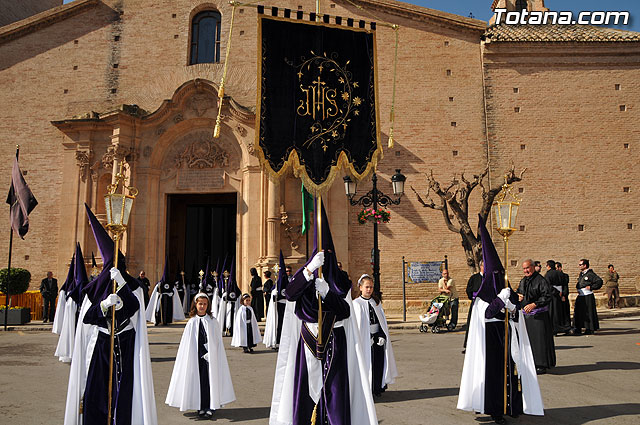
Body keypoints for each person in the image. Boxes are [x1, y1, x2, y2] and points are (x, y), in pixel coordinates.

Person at [270, 202, 377, 425]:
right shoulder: (305, 275)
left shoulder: (340, 280)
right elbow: (290, 294)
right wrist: (308, 272)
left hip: (334, 340)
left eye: (328, 254)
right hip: (308, 338)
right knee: (307, 389)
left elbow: (345, 311)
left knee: (334, 389)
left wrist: (329, 293)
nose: (325, 258)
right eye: (321, 254)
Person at [65, 204, 156, 425]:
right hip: (100, 345)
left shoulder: (132, 286)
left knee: (123, 392)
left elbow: (135, 309)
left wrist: (123, 284)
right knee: (97, 393)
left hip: (125, 343)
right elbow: (87, 318)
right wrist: (104, 306)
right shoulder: (94, 290)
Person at [458, 217, 544, 424]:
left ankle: (512, 406)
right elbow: (487, 314)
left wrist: (513, 306)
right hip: (491, 339)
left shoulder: (506, 289)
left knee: (511, 372)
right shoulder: (482, 296)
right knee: (494, 376)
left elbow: (516, 311)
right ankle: (495, 410)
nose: (497, 277)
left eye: (500, 273)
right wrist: (501, 299)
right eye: (494, 274)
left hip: (507, 335)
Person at [165, 292, 235, 418]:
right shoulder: (192, 322)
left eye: (204, 304)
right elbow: (187, 344)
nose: (202, 306)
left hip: (210, 358)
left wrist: (212, 353)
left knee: (209, 381)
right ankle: (200, 406)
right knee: (198, 382)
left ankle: (209, 406)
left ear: (207, 305)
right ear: (195, 305)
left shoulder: (213, 322)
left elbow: (216, 342)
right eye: (200, 304)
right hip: (196, 357)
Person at [352, 274, 398, 397]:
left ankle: (377, 387)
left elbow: (381, 322)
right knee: (366, 365)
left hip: (377, 339)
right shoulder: (356, 304)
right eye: (367, 287)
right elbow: (357, 326)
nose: (369, 289)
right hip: (365, 341)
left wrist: (381, 335)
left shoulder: (375, 302)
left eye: (371, 287)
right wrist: (366, 338)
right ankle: (366, 390)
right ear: (360, 288)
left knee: (378, 364)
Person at [517, 259, 556, 374]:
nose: (526, 271)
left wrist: (534, 304)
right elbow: (519, 292)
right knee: (528, 341)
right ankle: (529, 363)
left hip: (538, 316)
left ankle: (541, 364)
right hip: (526, 316)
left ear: (533, 267)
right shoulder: (523, 281)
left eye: (527, 268)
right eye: (524, 268)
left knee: (539, 341)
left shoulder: (541, 280)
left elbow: (547, 296)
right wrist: (518, 296)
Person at [146, 259, 185, 326]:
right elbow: (155, 294)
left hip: (168, 300)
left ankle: (166, 321)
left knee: (167, 310)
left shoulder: (171, 285)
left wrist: (170, 294)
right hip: (161, 299)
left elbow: (174, 293)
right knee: (158, 310)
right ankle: (158, 320)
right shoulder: (159, 284)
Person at [573, 259, 602, 335]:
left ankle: (589, 328)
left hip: (587, 295)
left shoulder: (590, 274)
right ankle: (578, 327)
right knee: (579, 312)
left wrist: (592, 287)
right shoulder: (582, 274)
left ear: (585, 265)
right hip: (581, 295)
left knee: (588, 312)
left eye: (580, 265)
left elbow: (599, 281)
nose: (579, 266)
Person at [462, 261, 483, 353]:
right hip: (476, 305)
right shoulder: (474, 278)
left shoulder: (490, 278)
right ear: (481, 266)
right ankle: (469, 346)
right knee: (473, 324)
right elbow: (469, 290)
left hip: (487, 307)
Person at [545, 260, 571, 335]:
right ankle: (564, 327)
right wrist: (563, 294)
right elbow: (565, 285)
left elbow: (548, 286)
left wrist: (555, 292)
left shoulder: (548, 275)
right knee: (561, 312)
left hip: (553, 296)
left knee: (553, 313)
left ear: (549, 266)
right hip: (561, 295)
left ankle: (554, 329)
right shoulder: (561, 274)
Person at [219, 262, 241, 337]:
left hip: (234, 308)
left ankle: (232, 330)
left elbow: (239, 299)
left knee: (232, 318)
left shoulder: (237, 291)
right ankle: (226, 330)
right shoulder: (227, 292)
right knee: (226, 318)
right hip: (227, 308)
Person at [555, 262, 572, 333]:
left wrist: (564, 295)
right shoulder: (554, 276)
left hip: (563, 297)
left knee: (565, 313)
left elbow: (565, 287)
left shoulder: (565, 276)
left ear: (560, 268)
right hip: (557, 298)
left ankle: (567, 328)